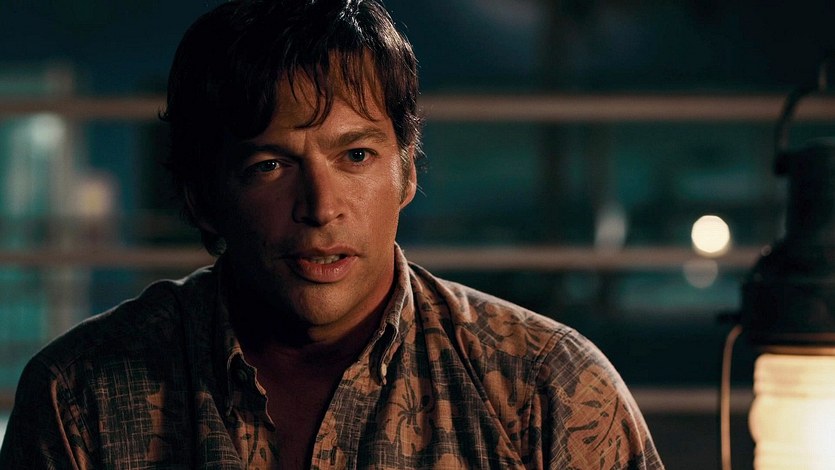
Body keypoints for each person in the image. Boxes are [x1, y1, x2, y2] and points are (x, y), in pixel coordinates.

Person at [0, 0, 664, 468]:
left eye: (356, 156)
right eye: (270, 165)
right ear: (203, 199)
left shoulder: (545, 389)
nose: (320, 208)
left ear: (407, 172)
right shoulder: (81, 396)